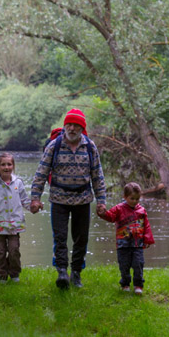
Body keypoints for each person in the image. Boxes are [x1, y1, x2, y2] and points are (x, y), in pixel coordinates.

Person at [30, 108, 107, 289]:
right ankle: (62, 272)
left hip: (83, 200)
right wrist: (35, 198)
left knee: (81, 239)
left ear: (81, 128)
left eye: (76, 125)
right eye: (69, 124)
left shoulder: (90, 147)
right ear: (65, 126)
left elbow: (98, 176)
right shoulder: (54, 146)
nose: (72, 128)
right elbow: (40, 174)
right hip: (58, 199)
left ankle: (77, 273)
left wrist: (101, 201)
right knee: (60, 237)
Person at [97, 182, 154, 295]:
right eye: (132, 198)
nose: (134, 201)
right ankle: (125, 284)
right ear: (125, 197)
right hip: (123, 244)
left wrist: (147, 239)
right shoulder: (118, 209)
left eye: (137, 199)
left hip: (137, 244)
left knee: (139, 264)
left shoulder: (141, 210)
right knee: (124, 265)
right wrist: (103, 214)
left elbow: (146, 225)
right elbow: (111, 217)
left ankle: (138, 285)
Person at [0, 152, 30, 284]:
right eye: (3, 164)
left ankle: (14, 273)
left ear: (13, 166)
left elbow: (24, 199)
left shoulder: (18, 183)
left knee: (14, 249)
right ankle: (1, 275)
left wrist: (32, 207)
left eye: (9, 164)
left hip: (15, 223)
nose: (6, 167)